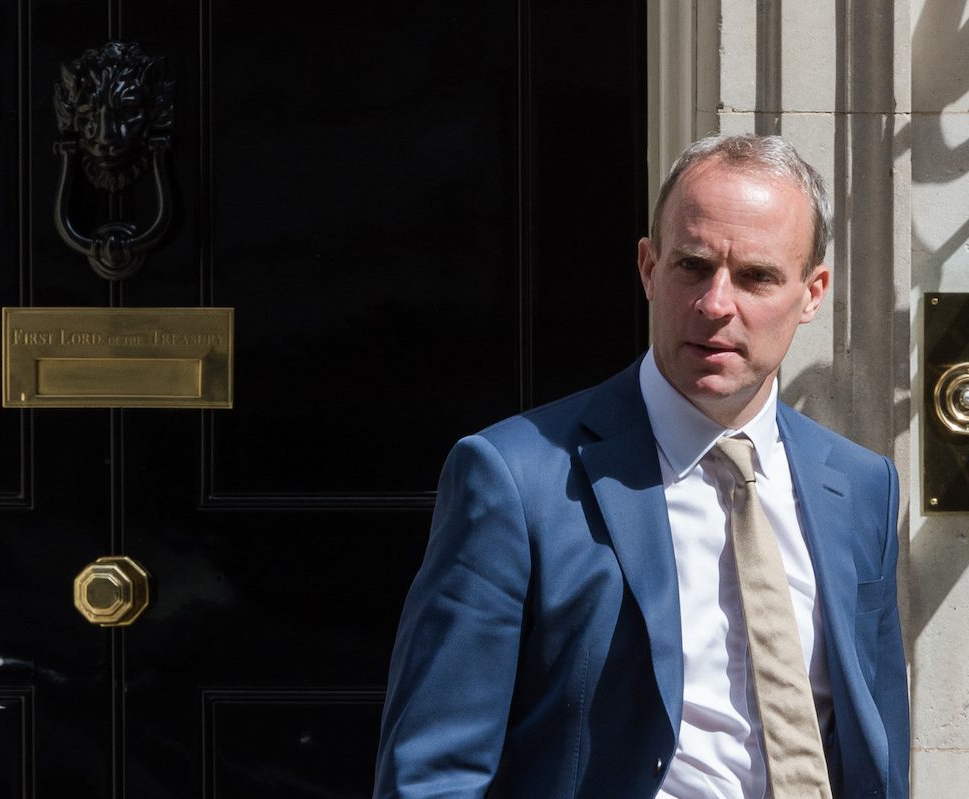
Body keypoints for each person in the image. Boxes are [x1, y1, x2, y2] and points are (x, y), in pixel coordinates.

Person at [374, 134, 909, 799]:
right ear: (649, 268)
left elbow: (877, 752)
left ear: (813, 291)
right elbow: (433, 773)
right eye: (692, 265)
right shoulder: (516, 478)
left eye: (756, 276)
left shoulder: (862, 489)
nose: (716, 304)